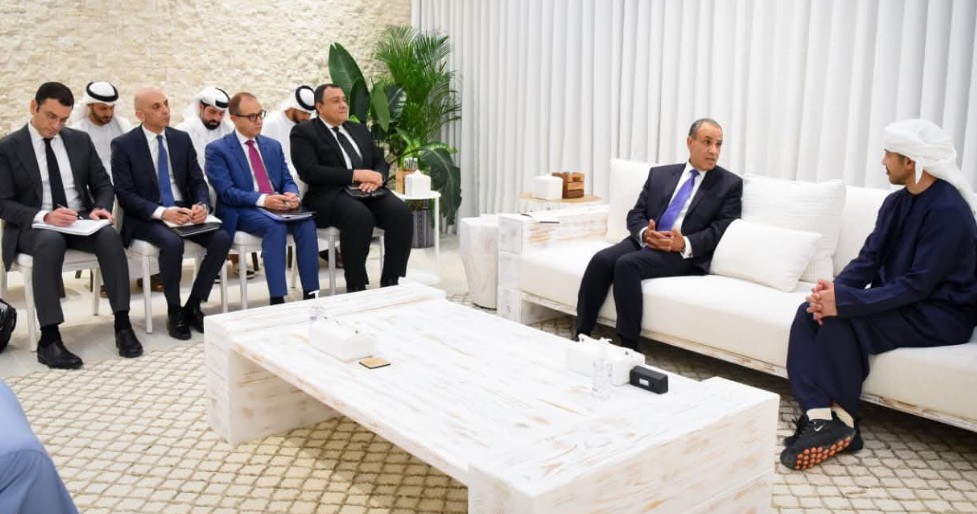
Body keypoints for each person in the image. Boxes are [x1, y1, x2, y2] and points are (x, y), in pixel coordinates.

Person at [780, 119, 977, 471]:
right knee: (807, 313)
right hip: (902, 301)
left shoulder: (950, 211)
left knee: (844, 321)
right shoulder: (895, 203)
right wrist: (832, 292)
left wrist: (844, 304)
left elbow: (919, 285)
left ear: (910, 161)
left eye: (889, 154)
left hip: (940, 314)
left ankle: (844, 419)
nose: (883, 161)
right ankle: (819, 417)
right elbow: (869, 260)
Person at [0, 82, 142, 368]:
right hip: (34, 226)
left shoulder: (79, 140)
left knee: (109, 236)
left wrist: (101, 208)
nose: (56, 125)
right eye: (50, 116)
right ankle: (50, 339)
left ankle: (122, 324)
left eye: (63, 119)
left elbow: (103, 185)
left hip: (79, 221)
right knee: (50, 241)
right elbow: (3, 203)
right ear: (33, 107)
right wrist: (44, 217)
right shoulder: (8, 147)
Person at [574, 118, 742, 350]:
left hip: (683, 254)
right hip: (648, 241)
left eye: (719, 144)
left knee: (627, 265)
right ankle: (581, 333)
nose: (714, 150)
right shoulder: (660, 174)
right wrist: (645, 233)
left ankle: (629, 346)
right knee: (601, 260)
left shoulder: (729, 184)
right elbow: (636, 214)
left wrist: (684, 243)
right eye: (707, 142)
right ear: (690, 142)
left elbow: (721, 230)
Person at [111, 87, 232, 340]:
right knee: (171, 243)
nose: (165, 110)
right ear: (140, 114)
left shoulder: (180, 139)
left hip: (183, 209)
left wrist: (201, 205)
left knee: (221, 238)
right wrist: (162, 212)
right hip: (147, 214)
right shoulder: (124, 145)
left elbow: (197, 180)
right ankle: (174, 311)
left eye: (166, 103)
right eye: (156, 107)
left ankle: (194, 304)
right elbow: (125, 194)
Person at [291, 83, 412, 292]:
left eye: (344, 100)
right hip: (329, 194)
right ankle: (356, 284)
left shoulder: (358, 129)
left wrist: (378, 177)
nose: (343, 105)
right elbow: (309, 171)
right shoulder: (304, 132)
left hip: (367, 190)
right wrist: (355, 175)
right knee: (359, 217)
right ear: (319, 107)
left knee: (401, 213)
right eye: (335, 101)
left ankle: (391, 279)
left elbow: (380, 161)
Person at [205, 92, 320, 304]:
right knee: (274, 227)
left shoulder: (272, 146)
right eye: (252, 117)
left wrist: (292, 194)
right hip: (243, 209)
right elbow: (227, 192)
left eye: (260, 114)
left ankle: (312, 294)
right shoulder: (218, 150)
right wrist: (263, 200)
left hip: (277, 205)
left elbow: (287, 179)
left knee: (307, 224)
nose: (259, 121)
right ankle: (278, 298)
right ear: (234, 119)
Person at [68, 81, 133, 176]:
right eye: (103, 109)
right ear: (90, 105)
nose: (108, 114)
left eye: (111, 108)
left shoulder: (123, 126)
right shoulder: (77, 131)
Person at [262, 85, 315, 189]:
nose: (306, 117)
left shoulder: (308, 124)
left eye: (309, 114)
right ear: (292, 107)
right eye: (303, 113)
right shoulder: (272, 123)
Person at [175, 86, 234, 172]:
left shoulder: (229, 131)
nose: (216, 118)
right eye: (212, 112)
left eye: (221, 113)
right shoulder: (182, 132)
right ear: (201, 107)